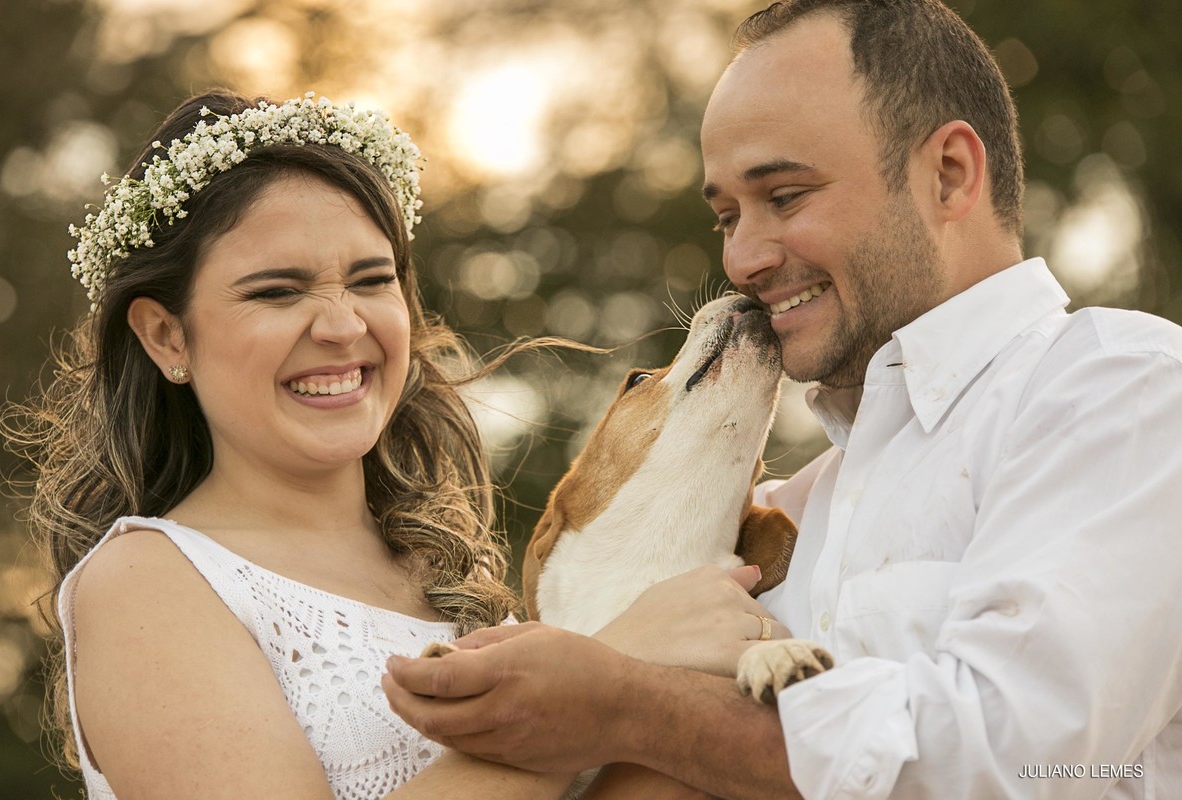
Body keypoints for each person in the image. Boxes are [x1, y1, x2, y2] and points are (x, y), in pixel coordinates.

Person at [382, 1, 1182, 797]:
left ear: (950, 175)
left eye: (785, 197)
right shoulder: (776, 511)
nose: (743, 259)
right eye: (727, 216)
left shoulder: (1125, 389)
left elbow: (1019, 761)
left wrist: (630, 707)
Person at [4, 88, 604, 799]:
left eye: (372, 280)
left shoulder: (444, 563)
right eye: (277, 292)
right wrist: (607, 693)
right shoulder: (147, 583)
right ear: (167, 336)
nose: (342, 325)